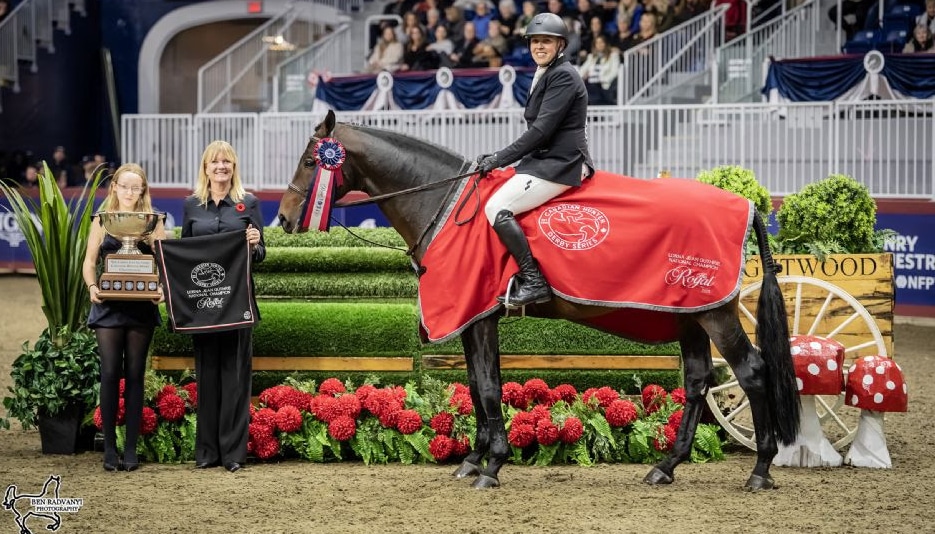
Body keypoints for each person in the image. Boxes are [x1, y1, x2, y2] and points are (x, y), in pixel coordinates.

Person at [475, 13, 594, 307]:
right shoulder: (546, 72)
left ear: (560, 45)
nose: (539, 46)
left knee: (497, 206)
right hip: (546, 159)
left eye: (546, 41)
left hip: (563, 162)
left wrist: (499, 158)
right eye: (535, 41)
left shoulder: (563, 75)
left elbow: (541, 131)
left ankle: (534, 281)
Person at [182, 140, 265, 473]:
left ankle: (233, 454)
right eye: (215, 162)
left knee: (235, 376)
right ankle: (207, 452)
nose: (221, 167)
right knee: (208, 375)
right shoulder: (191, 206)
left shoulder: (250, 203)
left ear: (234, 167)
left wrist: (256, 244)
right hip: (203, 304)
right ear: (206, 167)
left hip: (237, 302)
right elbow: (184, 255)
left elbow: (260, 255)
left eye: (227, 162)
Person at [82, 163, 166, 472]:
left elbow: (165, 263)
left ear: (143, 190)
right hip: (108, 305)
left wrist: (158, 287)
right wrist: (92, 287)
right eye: (125, 186)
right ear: (114, 186)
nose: (130, 192)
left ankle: (131, 448)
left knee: (134, 375)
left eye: (137, 187)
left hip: (141, 306)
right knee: (109, 374)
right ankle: (109, 448)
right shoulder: (102, 220)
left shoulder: (153, 221)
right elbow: (90, 262)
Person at [578, 33, 621, 104]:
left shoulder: (613, 56)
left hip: (604, 85)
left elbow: (614, 72)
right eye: (597, 43)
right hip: (591, 85)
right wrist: (584, 75)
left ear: (605, 44)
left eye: (601, 42)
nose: (599, 45)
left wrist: (602, 80)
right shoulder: (591, 57)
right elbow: (581, 71)